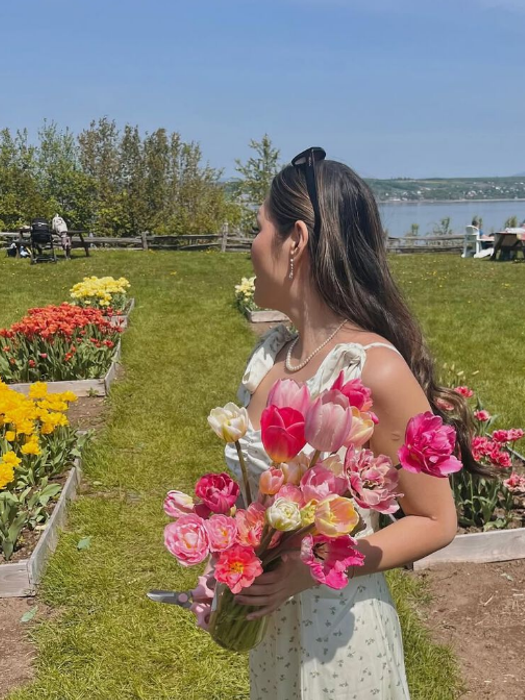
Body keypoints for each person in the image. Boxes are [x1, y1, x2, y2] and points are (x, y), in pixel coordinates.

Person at [208, 148, 481, 699]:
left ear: (296, 241)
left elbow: (435, 518)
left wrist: (308, 573)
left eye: (258, 228)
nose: (250, 244)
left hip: (339, 637)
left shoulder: (373, 367)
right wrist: (227, 571)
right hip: (273, 635)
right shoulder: (271, 357)